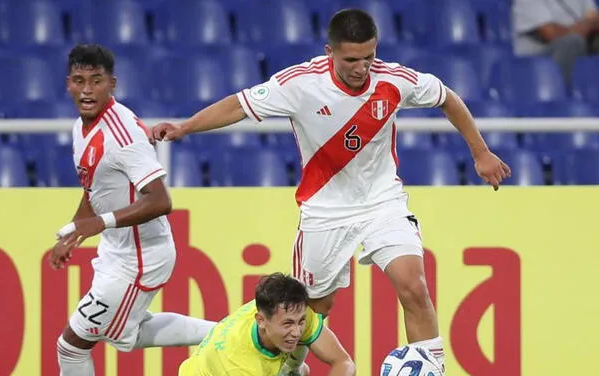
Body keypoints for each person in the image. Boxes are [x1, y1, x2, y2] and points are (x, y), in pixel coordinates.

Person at [151, 8, 511, 373]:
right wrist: (185, 128)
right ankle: (291, 370)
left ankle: (434, 369)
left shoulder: (394, 80)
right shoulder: (300, 84)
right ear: (330, 52)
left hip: (381, 202)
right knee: (311, 312)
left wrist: (480, 152)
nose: (361, 68)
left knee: (414, 287)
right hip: (324, 212)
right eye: (351, 59)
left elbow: (447, 96)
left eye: (369, 57)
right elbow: (239, 105)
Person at [50, 44, 216, 376]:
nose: (86, 90)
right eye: (79, 80)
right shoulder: (80, 127)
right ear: (67, 83)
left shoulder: (122, 134)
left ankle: (240, 334)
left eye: (96, 81)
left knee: (70, 347)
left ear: (112, 83)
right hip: (118, 250)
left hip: (140, 258)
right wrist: (73, 231)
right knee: (129, 331)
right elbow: (94, 187)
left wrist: (100, 222)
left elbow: (160, 200)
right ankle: (238, 333)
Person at [178, 272, 355, 376]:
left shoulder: (291, 309)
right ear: (261, 321)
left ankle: (293, 369)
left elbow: (344, 363)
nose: (296, 332)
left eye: (300, 322)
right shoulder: (241, 366)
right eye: (287, 324)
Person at [513, 0, 599, 81]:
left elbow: (595, 18)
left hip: (581, 46)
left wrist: (586, 26)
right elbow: (551, 33)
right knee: (572, 43)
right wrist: (587, 26)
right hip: (539, 58)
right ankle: (566, 92)